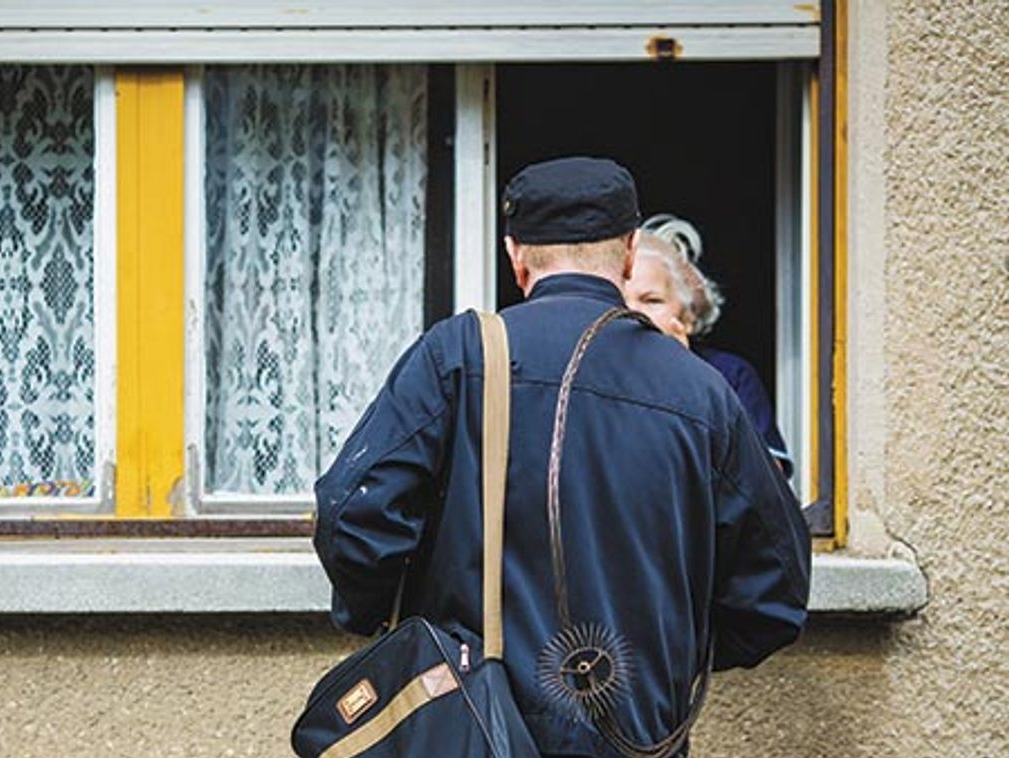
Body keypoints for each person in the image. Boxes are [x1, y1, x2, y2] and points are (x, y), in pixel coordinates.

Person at [313, 157, 810, 757]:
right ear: (628, 254)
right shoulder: (702, 391)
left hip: (474, 729)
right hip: (639, 735)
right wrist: (665, 657)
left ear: (515, 255)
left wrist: (399, 624)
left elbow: (353, 514)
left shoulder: (461, 355)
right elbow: (775, 587)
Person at [626, 216, 794, 476]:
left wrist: (683, 379)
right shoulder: (590, 375)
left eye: (652, 300)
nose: (633, 312)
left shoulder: (728, 375)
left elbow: (765, 482)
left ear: (689, 316)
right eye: (620, 299)